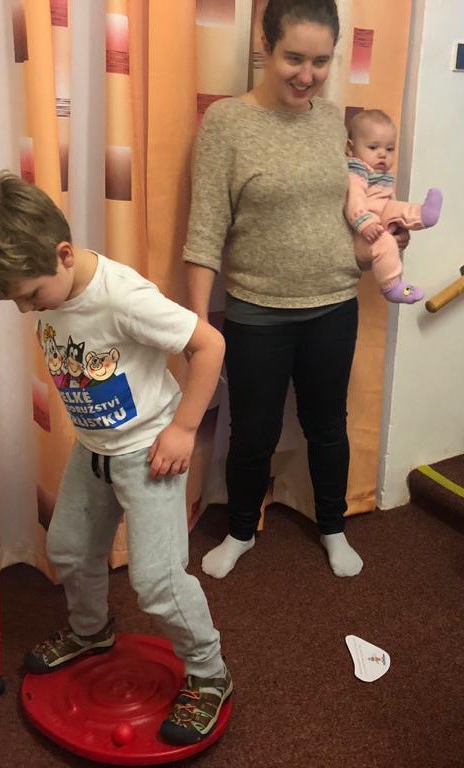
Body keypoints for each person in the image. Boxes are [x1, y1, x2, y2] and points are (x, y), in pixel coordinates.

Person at [0, 171, 232, 746]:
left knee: (157, 582)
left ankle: (209, 671)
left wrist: (183, 429)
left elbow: (209, 344)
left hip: (150, 453)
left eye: (29, 297)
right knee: (69, 548)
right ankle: (92, 631)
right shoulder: (48, 282)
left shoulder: (122, 296)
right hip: (95, 449)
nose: (25, 309)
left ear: (64, 254)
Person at [183, 0, 410, 581]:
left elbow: (346, 211)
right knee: (252, 432)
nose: (307, 75)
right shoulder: (227, 123)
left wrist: (381, 243)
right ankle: (240, 530)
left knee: (327, 425)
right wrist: (197, 325)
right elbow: (205, 231)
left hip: (334, 303)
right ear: (265, 46)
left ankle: (333, 526)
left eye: (321, 61)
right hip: (257, 310)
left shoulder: (334, 121)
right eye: (294, 58)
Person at [345, 108, 442, 304]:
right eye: (373, 147)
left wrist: (399, 224)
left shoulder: (381, 177)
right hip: (362, 234)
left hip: (378, 217)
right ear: (350, 148)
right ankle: (392, 286)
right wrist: (366, 224)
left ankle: (422, 215)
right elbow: (354, 202)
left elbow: (389, 205)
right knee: (385, 242)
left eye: (389, 149)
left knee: (396, 207)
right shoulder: (356, 173)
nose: (382, 154)